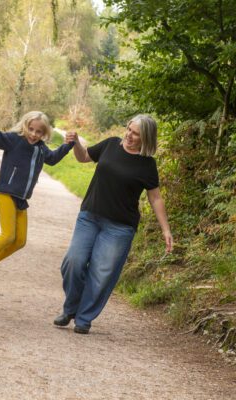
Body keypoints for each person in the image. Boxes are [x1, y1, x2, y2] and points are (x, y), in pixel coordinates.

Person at [54, 115, 173, 334]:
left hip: (119, 227)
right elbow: (83, 158)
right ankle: (70, 307)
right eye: (128, 129)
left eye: (135, 133)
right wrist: (76, 143)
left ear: (145, 137)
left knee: (102, 273)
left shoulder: (147, 164)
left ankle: (84, 318)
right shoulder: (110, 145)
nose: (129, 135)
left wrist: (166, 229)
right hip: (90, 216)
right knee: (73, 261)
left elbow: (155, 197)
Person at [0, 111, 75, 293]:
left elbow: (53, 159)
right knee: (8, 236)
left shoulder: (41, 149)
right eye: (31, 129)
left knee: (20, 241)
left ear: (44, 133)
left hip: (21, 199)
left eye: (39, 132)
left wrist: (69, 144)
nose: (33, 134)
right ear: (24, 126)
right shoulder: (14, 140)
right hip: (6, 194)